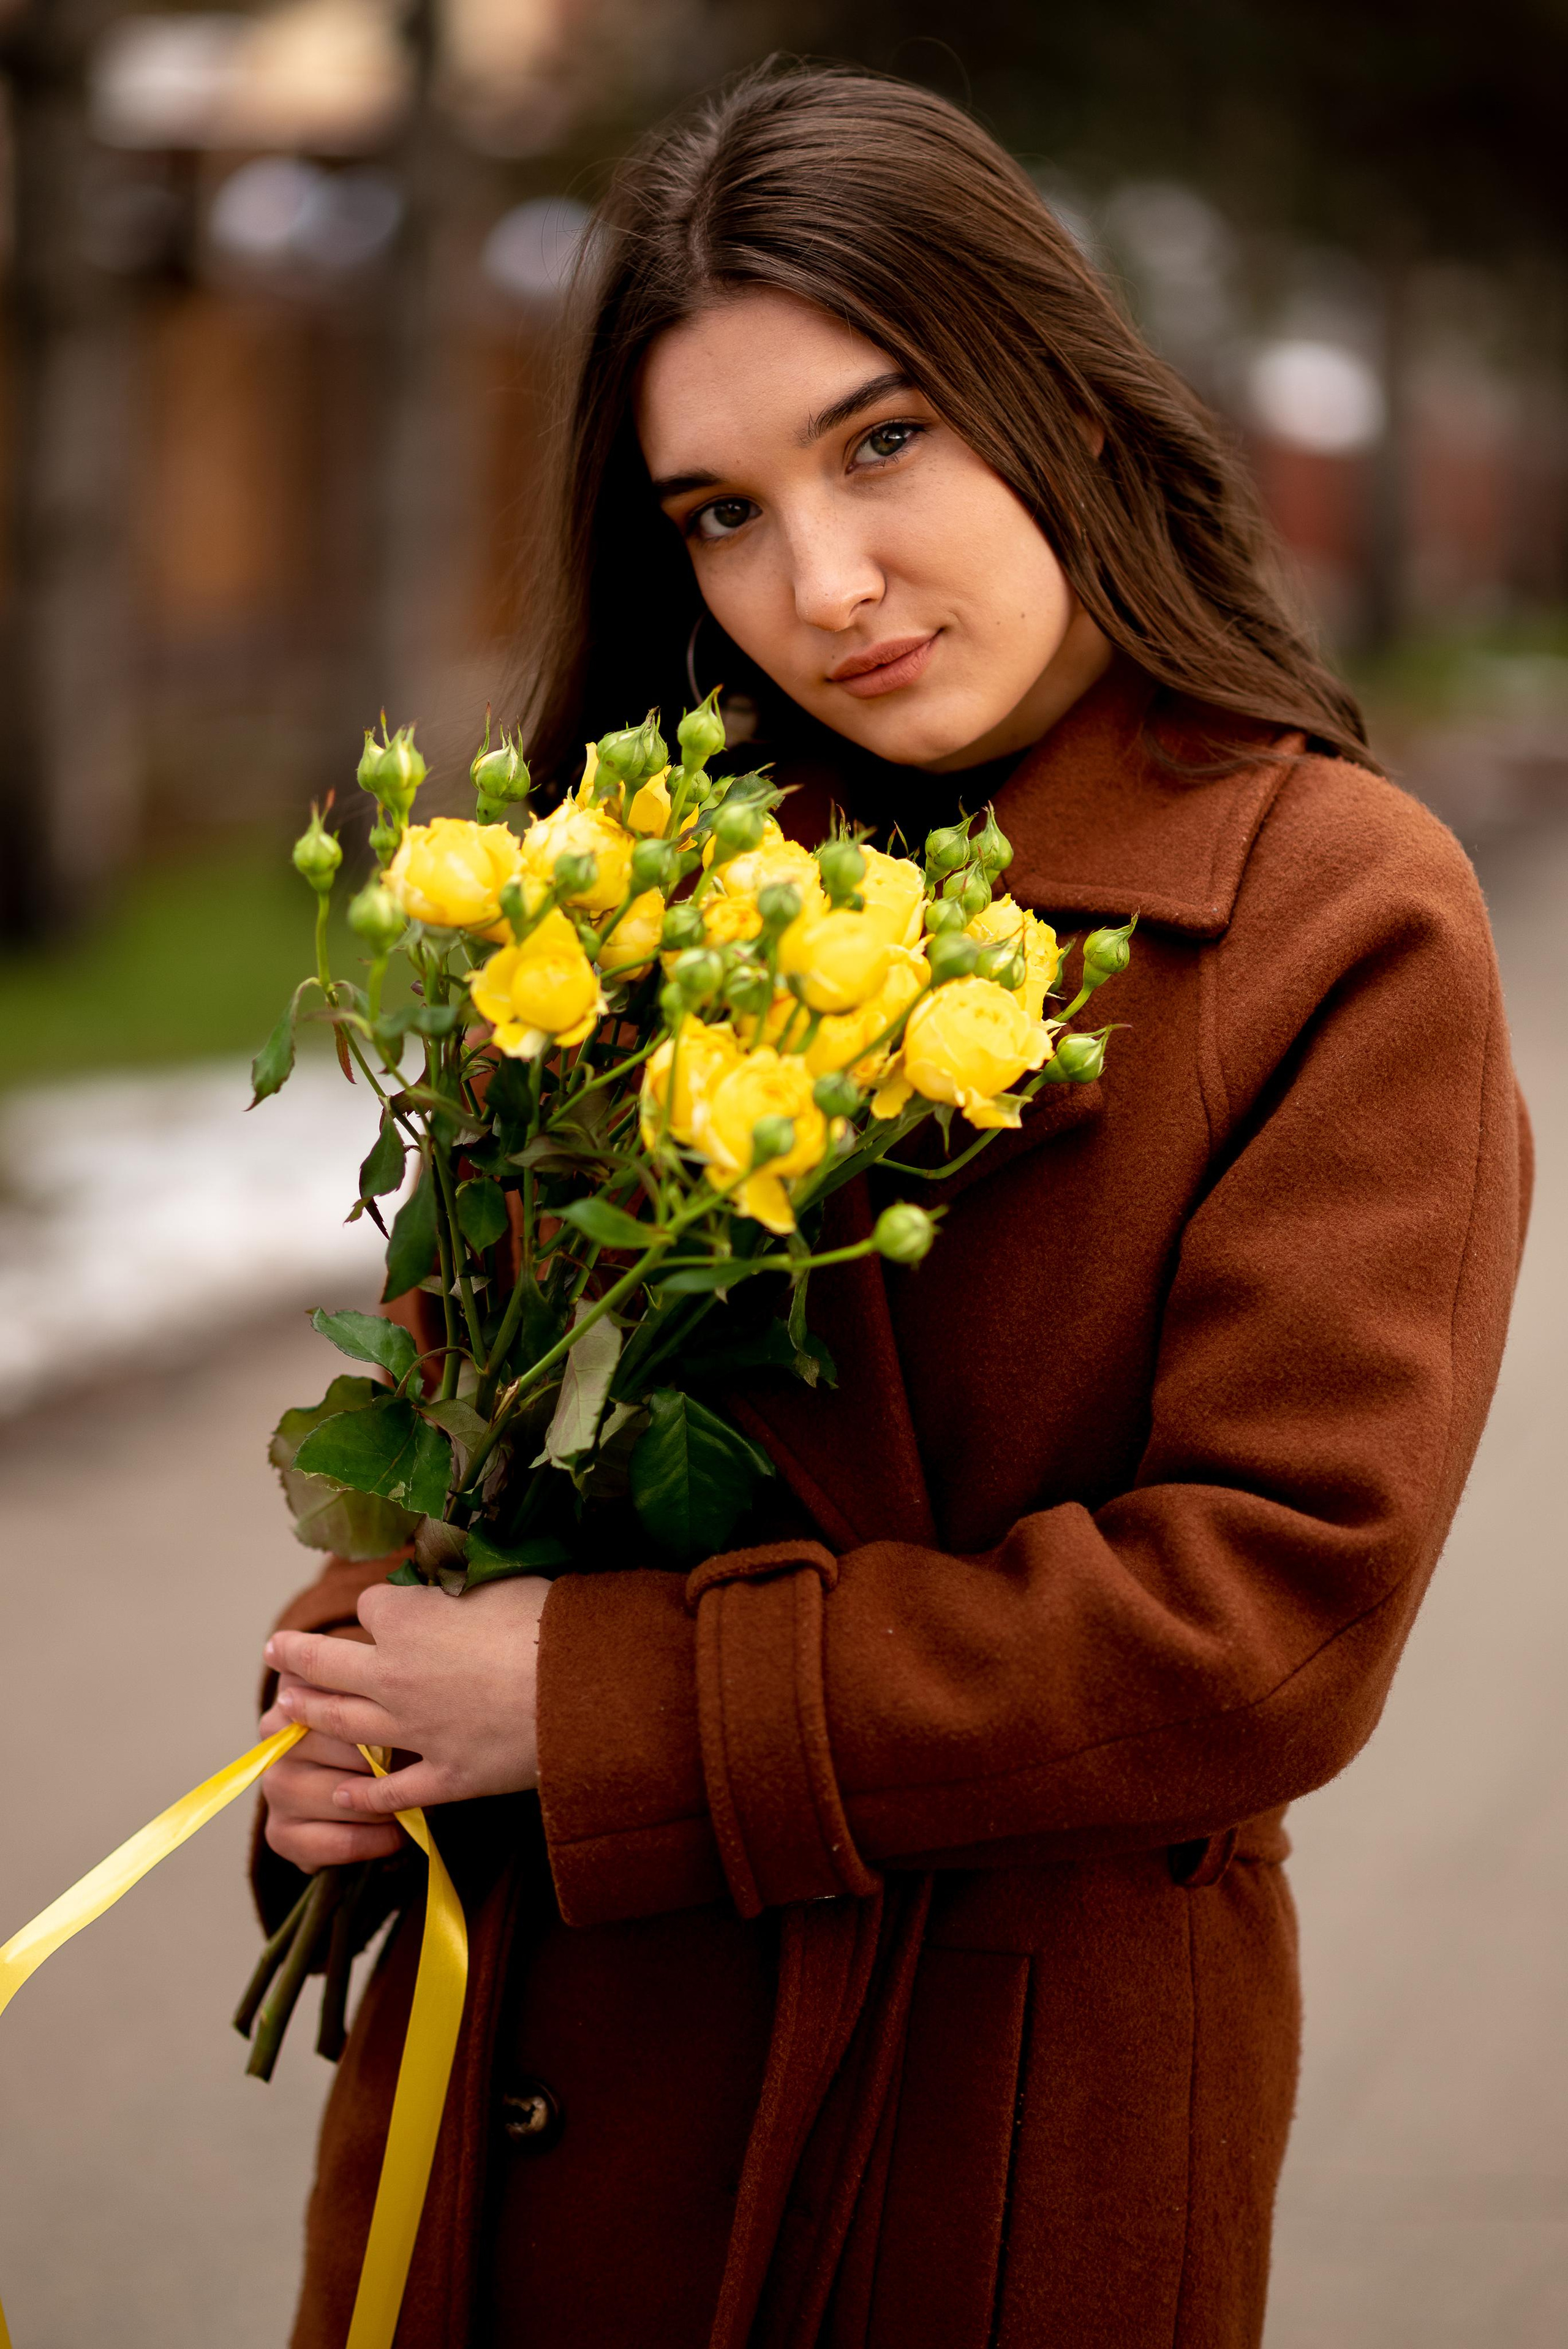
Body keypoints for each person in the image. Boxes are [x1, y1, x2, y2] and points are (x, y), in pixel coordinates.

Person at [254, 64, 1529, 2349]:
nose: (820, 582)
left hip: (966, 2146)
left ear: (1058, 393)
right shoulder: (631, 886)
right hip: (522, 2098)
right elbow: (488, 1445)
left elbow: (1268, 1618)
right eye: (720, 512)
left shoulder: (1334, 918)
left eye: (882, 443)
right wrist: (365, 1692)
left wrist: (598, 1703)